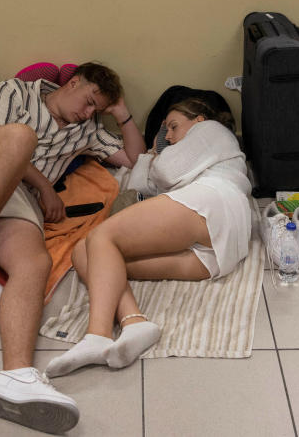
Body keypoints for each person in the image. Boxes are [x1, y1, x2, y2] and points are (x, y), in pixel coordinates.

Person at [0, 63, 144, 434]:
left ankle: (17, 376)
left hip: (9, 200)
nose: (88, 113)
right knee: (20, 137)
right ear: (72, 83)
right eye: (88, 101)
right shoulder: (17, 91)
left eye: (96, 110)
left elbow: (135, 160)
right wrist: (45, 186)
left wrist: (121, 113)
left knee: (35, 263)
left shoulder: (86, 130)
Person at [45, 98, 252, 378]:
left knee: (102, 235)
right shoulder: (189, 155)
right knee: (87, 252)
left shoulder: (212, 130)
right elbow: (139, 186)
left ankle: (98, 334)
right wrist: (151, 154)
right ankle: (135, 323)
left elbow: (166, 172)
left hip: (213, 202)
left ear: (199, 120)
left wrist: (159, 155)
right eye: (164, 131)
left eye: (173, 126)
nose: (168, 135)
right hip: (215, 253)